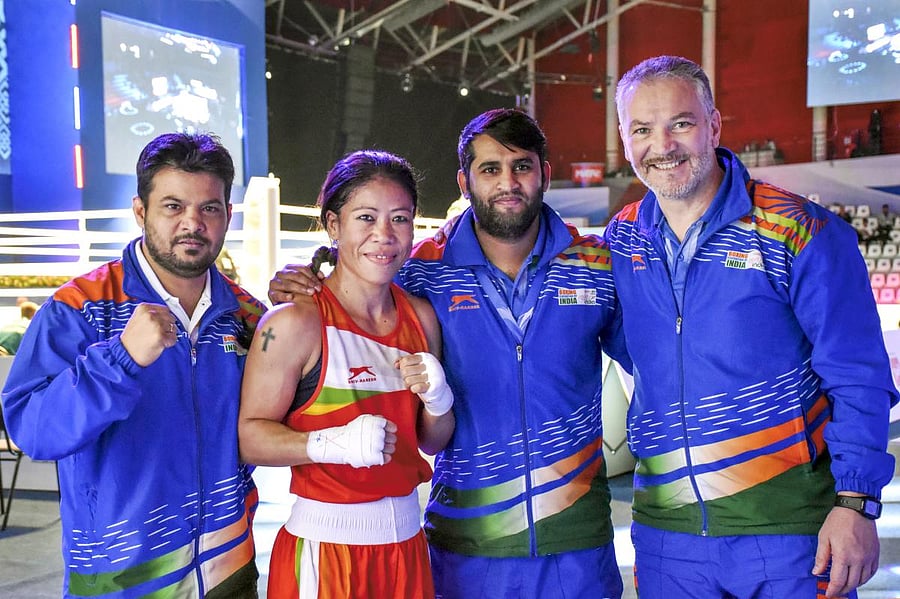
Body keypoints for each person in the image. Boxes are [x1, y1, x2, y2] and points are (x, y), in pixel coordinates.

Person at [268, 109, 630, 598]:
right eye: (490, 169)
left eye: (522, 166)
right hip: (467, 543)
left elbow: (657, 362)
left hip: (577, 539)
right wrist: (301, 285)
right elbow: (353, 290)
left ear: (544, 174)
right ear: (464, 181)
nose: (508, 183)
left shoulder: (596, 264)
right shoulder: (421, 271)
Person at [605, 55, 897, 599]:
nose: (662, 146)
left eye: (681, 124)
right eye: (642, 129)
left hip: (790, 529)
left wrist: (856, 502)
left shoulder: (799, 230)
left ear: (714, 126)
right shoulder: (620, 243)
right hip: (668, 537)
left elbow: (858, 376)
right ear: (624, 140)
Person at [1, 132, 265, 598]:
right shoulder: (79, 309)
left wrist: (311, 312)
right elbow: (33, 431)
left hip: (230, 573)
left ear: (227, 214)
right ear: (141, 212)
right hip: (121, 583)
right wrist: (119, 360)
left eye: (209, 208)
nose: (192, 223)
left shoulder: (248, 315)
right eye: (172, 206)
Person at [239, 150, 454, 598]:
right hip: (325, 553)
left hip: (407, 547)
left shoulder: (421, 318)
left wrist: (439, 402)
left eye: (399, 219)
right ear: (333, 225)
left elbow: (431, 441)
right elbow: (249, 437)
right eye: (366, 218)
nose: (384, 235)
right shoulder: (294, 323)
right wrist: (327, 444)